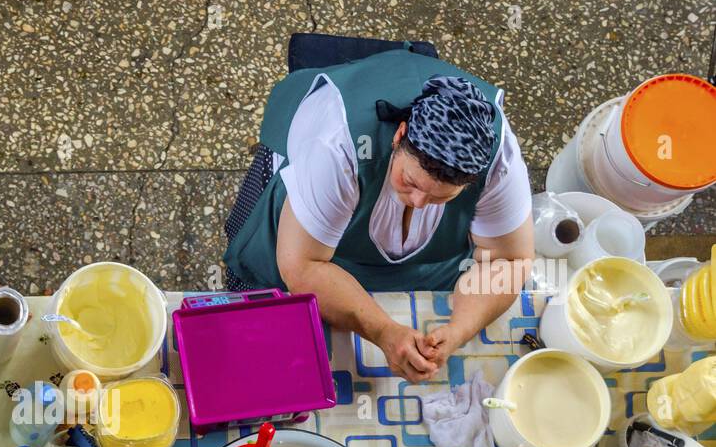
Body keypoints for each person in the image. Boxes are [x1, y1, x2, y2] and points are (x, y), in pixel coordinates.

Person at [223, 48, 535, 383]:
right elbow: (301, 265)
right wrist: (383, 330)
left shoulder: (499, 161)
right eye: (410, 182)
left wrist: (458, 329)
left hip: (418, 265)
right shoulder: (336, 144)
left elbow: (511, 260)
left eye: (439, 197)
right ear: (400, 136)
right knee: (263, 322)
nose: (416, 202)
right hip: (308, 250)